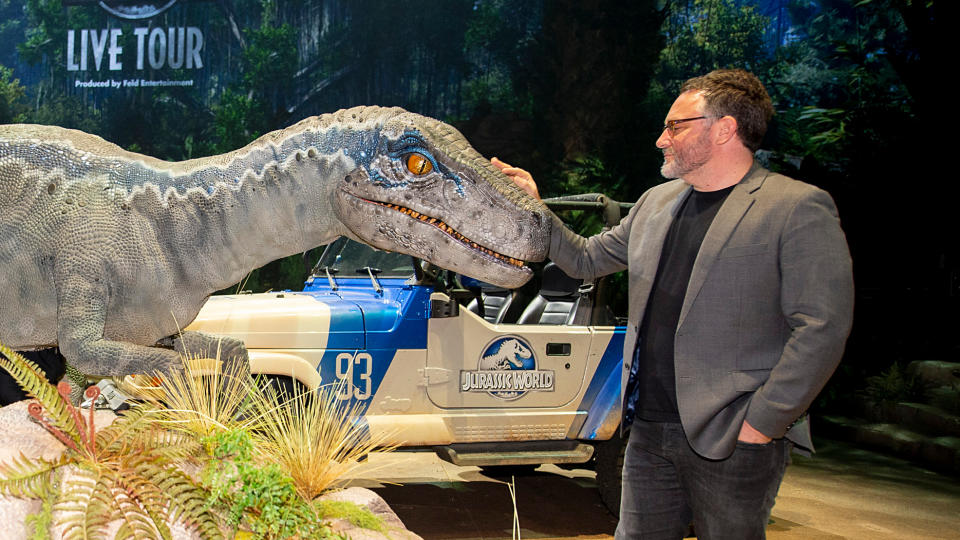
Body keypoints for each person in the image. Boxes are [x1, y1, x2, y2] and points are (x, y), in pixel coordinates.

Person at [494, 69, 854, 539]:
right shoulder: (655, 204)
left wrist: (763, 423)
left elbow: (821, 327)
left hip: (734, 435)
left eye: (676, 126)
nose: (662, 139)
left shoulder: (796, 207)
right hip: (646, 429)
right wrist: (534, 208)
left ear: (723, 128)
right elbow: (584, 259)